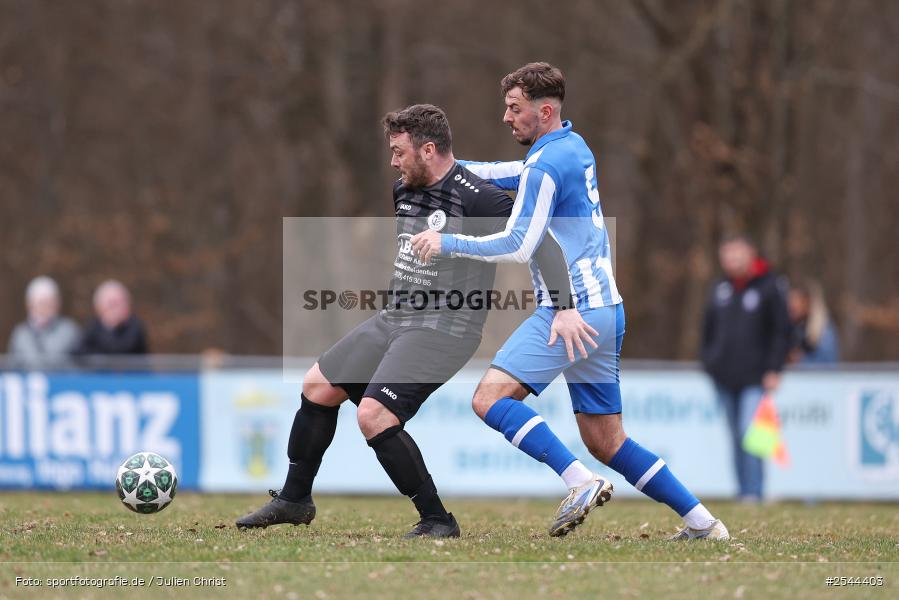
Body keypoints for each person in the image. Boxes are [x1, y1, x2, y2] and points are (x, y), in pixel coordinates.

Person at [412, 62, 728, 540]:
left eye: (514, 108)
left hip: (570, 312)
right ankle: (704, 524)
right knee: (607, 439)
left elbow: (517, 243)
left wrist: (447, 243)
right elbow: (510, 173)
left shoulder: (544, 164)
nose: (505, 117)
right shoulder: (573, 147)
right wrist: (453, 172)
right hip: (607, 309)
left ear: (543, 111)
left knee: (488, 398)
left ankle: (579, 481)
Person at [236, 104, 567, 538]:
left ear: (428, 149)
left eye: (398, 151)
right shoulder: (403, 190)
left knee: (374, 416)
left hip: (445, 329)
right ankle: (295, 499)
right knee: (318, 386)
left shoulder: (479, 197)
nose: (393, 161)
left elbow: (539, 243)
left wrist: (563, 307)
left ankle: (437, 521)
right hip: (395, 318)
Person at [701, 234, 791, 502]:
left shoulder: (770, 286)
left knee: (749, 434)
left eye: (736, 254)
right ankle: (743, 492)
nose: (731, 260)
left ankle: (754, 493)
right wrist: (709, 361)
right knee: (734, 437)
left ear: (751, 253)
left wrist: (774, 368)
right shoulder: (720, 288)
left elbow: (781, 332)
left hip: (756, 377)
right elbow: (707, 329)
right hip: (723, 377)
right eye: (726, 255)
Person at [6, 276, 81, 369]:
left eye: (49, 302)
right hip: (31, 382)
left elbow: (77, 365)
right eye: (41, 302)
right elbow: (12, 365)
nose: (44, 307)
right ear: (30, 304)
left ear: (57, 304)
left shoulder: (69, 330)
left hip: (63, 382)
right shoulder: (20, 333)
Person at [78, 280, 149, 355]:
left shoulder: (135, 326)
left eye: (119, 303)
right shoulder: (93, 326)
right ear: (99, 307)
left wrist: (110, 327)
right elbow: (80, 352)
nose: (116, 309)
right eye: (111, 304)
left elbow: (121, 351)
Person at [787, 279, 840, 364]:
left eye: (795, 299)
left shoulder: (824, 331)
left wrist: (799, 361)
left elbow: (828, 366)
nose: (791, 304)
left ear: (808, 302)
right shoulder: (793, 328)